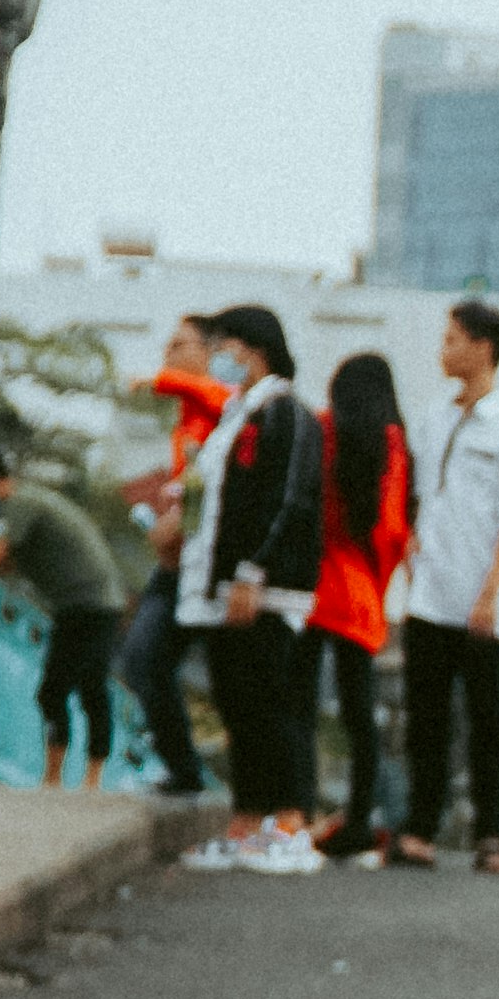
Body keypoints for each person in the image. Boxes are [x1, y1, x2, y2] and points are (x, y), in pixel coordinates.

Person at [392, 298, 499, 873]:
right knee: (425, 719)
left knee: (486, 724)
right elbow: (417, 493)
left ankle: (491, 833)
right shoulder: (436, 417)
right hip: (430, 593)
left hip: (483, 600)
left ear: (483, 348)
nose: (444, 349)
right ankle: (419, 830)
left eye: (454, 339)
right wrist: (408, 546)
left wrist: (490, 594)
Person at [177, 307, 328, 873]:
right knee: (239, 704)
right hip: (227, 586)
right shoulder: (241, 415)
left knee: (270, 703)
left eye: (225, 346)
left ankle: (288, 822)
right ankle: (247, 821)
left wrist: (251, 570)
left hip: (264, 587)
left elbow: (286, 499)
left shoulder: (284, 414)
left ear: (252, 350)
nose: (219, 357)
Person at [308, 349, 416, 861]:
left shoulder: (321, 428)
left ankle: (297, 812)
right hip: (361, 594)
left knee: (298, 705)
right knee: (359, 714)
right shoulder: (394, 444)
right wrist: (377, 580)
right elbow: (392, 528)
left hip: (311, 584)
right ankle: (357, 819)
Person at [115, 314, 227, 800]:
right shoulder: (185, 419)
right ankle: (183, 769)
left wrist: (154, 379)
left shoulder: (222, 404)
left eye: (179, 346)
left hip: (214, 566)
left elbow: (219, 395)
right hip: (179, 562)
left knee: (231, 683)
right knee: (142, 659)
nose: (168, 355)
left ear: (207, 354)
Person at [0, 434, 126, 785]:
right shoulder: (25, 503)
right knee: (88, 687)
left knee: (61, 690)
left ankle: (66, 778)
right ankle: (82, 778)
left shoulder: (19, 503)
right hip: (90, 603)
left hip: (88, 603)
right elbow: (5, 563)